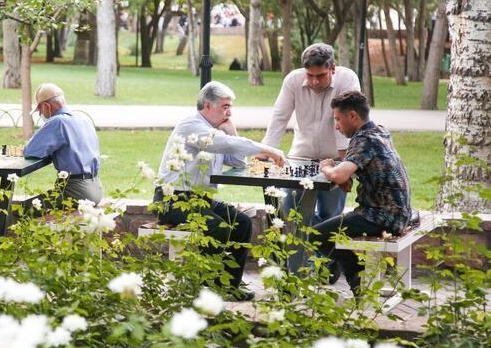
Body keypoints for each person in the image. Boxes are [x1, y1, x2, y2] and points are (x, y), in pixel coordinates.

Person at [154, 81, 285, 301]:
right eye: (225, 107)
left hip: (200, 199)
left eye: (230, 107)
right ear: (208, 105)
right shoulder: (191, 126)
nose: (229, 112)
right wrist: (266, 149)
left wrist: (231, 130)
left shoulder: (214, 131)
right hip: (172, 200)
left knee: (242, 222)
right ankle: (207, 283)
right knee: (217, 227)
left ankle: (229, 286)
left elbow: (237, 162)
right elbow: (221, 144)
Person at [260, 43, 361, 272]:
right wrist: (268, 152)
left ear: (332, 68)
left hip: (335, 158)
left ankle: (326, 264)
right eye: (310, 75)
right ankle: (310, 264)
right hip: (301, 157)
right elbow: (279, 117)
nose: (315, 81)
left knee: (329, 216)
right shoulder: (293, 81)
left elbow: (347, 122)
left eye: (321, 76)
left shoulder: (347, 79)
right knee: (292, 210)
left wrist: (345, 166)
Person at [314, 91, 411, 296]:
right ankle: (358, 278)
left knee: (316, 235)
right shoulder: (379, 131)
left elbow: (339, 176)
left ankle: (358, 279)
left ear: (353, 116)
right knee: (326, 231)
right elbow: (353, 174)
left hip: (381, 216)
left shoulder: (363, 139)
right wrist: (346, 175)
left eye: (338, 119)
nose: (336, 125)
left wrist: (326, 166)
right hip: (399, 212)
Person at [24, 83, 103, 205]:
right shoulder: (84, 119)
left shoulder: (57, 122)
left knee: (21, 210)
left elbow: (30, 151)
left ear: (46, 106)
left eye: (39, 109)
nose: (40, 114)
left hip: (76, 191)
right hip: (96, 187)